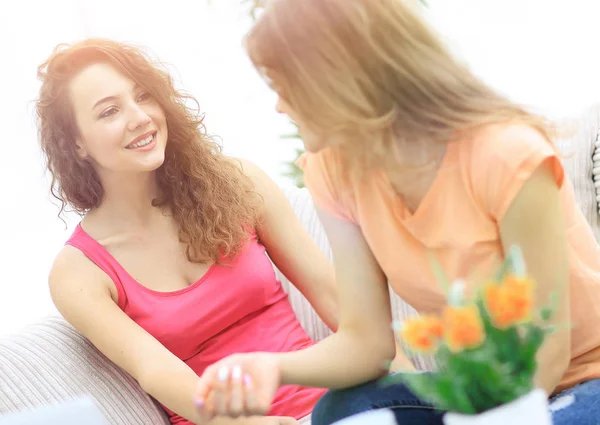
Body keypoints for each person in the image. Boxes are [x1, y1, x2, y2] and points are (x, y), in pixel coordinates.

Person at [193, 1, 600, 424]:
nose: (279, 106)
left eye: (285, 86)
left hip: (582, 378)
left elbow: (546, 354)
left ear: (339, 78)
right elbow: (366, 344)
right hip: (481, 397)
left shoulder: (506, 154)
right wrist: (272, 367)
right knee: (344, 407)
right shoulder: (334, 171)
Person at [36, 38, 339, 425]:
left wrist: (404, 385)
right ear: (76, 143)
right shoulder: (78, 272)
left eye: (144, 96)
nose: (140, 117)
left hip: (333, 406)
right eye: (110, 111)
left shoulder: (236, 182)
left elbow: (333, 296)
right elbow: (156, 371)